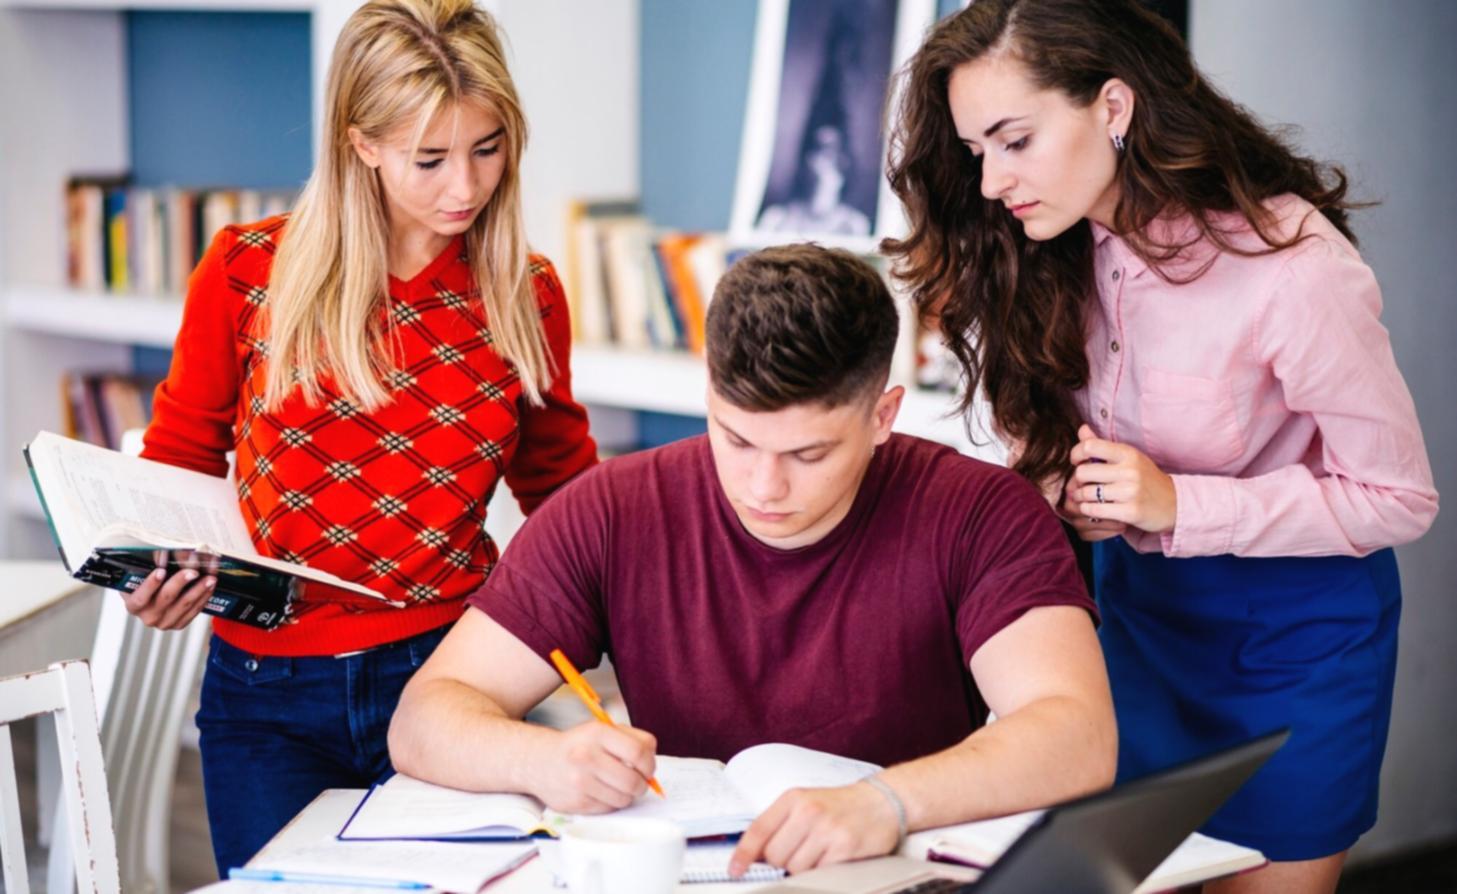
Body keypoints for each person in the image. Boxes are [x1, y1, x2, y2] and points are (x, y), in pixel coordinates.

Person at [883, 2, 1438, 892]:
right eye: (976, 150)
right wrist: (1064, 484)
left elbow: (1398, 496)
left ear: (1112, 106)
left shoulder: (1291, 268)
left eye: (1013, 140)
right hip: (1136, 637)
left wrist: (1177, 502)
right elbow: (1053, 441)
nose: (989, 182)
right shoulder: (1045, 253)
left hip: (1294, 650)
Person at [389, 243, 1116, 877]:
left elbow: (1075, 734)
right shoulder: (609, 509)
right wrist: (542, 762)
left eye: (808, 453)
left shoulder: (980, 512)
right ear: (708, 396)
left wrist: (888, 802)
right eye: (736, 441)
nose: (763, 488)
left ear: (883, 415)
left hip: (889, 871)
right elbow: (425, 719)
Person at [123, 0, 597, 873]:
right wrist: (157, 573)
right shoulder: (246, 270)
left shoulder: (524, 293)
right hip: (264, 693)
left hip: (453, 682)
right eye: (430, 158)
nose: (465, 186)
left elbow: (566, 496)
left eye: (487, 148)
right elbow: (180, 460)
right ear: (360, 143)